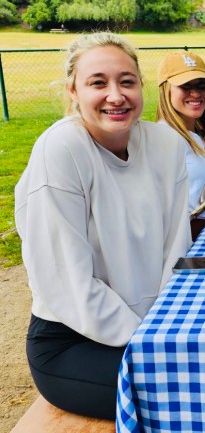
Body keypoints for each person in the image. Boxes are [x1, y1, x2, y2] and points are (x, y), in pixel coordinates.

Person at [14, 32, 191, 419]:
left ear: (141, 87)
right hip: (72, 340)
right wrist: (146, 341)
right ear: (73, 92)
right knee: (189, 395)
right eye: (98, 82)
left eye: (126, 81)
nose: (116, 95)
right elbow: (65, 282)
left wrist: (165, 332)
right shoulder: (62, 148)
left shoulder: (166, 145)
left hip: (150, 328)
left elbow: (175, 250)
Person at [156, 51, 205, 241]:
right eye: (185, 86)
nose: (195, 93)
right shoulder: (164, 139)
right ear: (165, 89)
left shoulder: (200, 134)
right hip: (185, 243)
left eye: (201, 85)